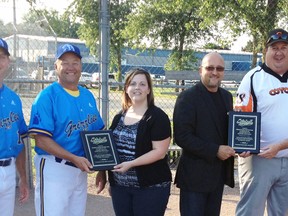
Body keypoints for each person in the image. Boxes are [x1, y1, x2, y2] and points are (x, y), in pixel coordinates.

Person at [28, 44, 105, 216]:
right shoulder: (47, 97)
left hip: (80, 171)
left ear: (81, 66)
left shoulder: (87, 96)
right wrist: (73, 158)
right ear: (56, 66)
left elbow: (98, 135)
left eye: (75, 62)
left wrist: (102, 167)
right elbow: (41, 139)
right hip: (54, 168)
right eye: (65, 62)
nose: (71, 67)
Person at [96, 68, 172, 216]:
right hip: (121, 188)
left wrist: (130, 164)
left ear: (149, 89)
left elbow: (159, 152)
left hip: (151, 188)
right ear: (126, 88)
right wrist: (105, 173)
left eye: (142, 84)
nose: (137, 87)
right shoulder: (120, 116)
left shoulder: (157, 117)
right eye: (133, 84)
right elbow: (109, 149)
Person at [173, 52, 236, 216]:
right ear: (200, 70)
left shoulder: (227, 97)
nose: (215, 72)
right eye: (210, 68)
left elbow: (228, 131)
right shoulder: (187, 97)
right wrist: (215, 150)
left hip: (217, 176)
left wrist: (241, 145)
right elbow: (182, 136)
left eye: (219, 68)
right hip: (194, 177)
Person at [235, 28, 288, 216]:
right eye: (274, 47)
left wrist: (280, 146)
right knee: (250, 212)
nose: (279, 52)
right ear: (266, 51)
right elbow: (241, 117)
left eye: (284, 47)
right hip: (259, 159)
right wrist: (242, 145)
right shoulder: (253, 78)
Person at [0, 38, 29, 216]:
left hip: (9, 172)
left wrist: (23, 178)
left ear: (8, 62)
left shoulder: (13, 98)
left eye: (1, 57)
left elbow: (19, 141)